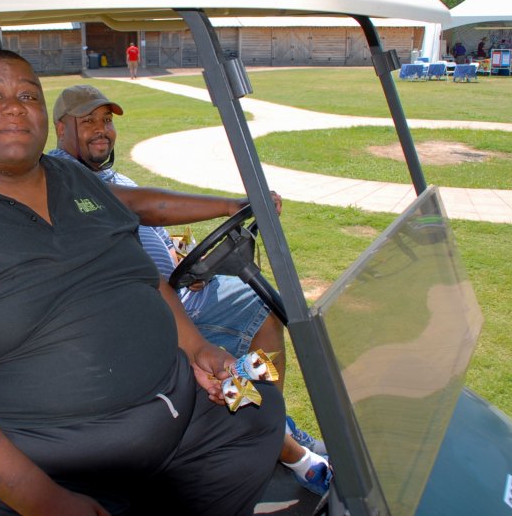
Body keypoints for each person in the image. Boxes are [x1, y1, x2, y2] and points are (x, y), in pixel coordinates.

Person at [0, 50, 288, 514]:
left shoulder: (73, 179)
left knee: (257, 412)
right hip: (51, 458)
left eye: (28, 96)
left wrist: (196, 346)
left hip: (170, 411)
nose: (14, 106)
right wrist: (44, 501)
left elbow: (142, 276)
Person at [49, 84, 331, 494]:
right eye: (88, 121)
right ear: (61, 128)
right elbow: (144, 206)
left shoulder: (112, 175)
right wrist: (233, 204)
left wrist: (185, 263)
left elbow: (160, 236)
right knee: (216, 367)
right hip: (137, 316)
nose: (101, 130)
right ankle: (290, 452)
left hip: (178, 293)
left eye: (106, 120)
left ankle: (275, 422)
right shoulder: (60, 174)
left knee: (261, 304)